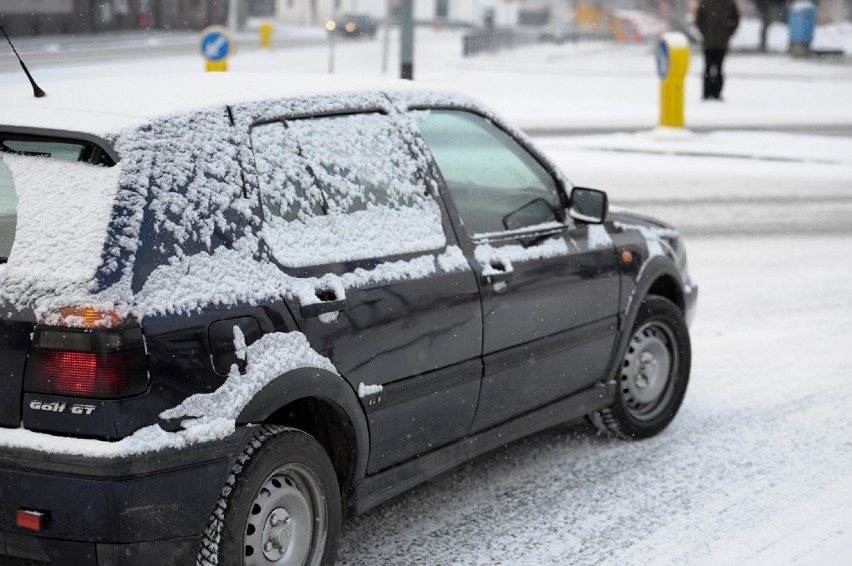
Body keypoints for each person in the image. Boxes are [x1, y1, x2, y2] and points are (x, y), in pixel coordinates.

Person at [696, 0, 740, 100]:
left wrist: (728, 33)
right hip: (710, 43)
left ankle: (715, 92)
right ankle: (708, 92)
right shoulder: (707, 2)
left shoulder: (728, 3)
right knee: (709, 68)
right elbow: (699, 20)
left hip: (719, 43)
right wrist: (706, 33)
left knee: (718, 68)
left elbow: (735, 19)